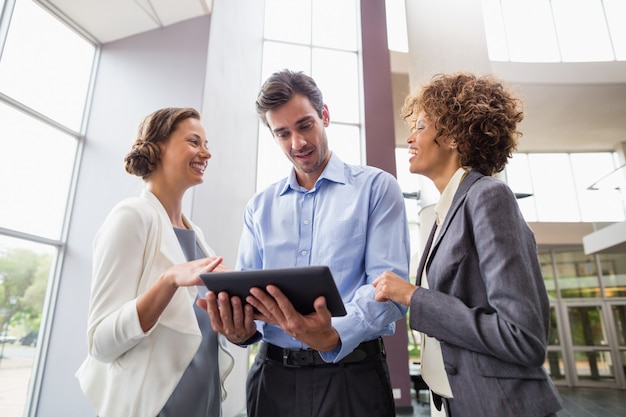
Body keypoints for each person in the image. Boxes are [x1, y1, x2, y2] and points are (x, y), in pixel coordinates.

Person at [201, 69, 411, 417]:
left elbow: (388, 289)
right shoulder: (259, 207)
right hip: (273, 379)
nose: (297, 143)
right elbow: (249, 295)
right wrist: (240, 330)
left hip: (352, 378)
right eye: (283, 133)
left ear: (324, 115)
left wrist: (333, 335)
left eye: (305, 125)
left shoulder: (376, 188)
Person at [372, 73, 563, 417]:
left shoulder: (489, 196)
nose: (409, 137)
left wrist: (413, 296)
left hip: (499, 406)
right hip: (456, 402)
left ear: (454, 135)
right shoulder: (445, 212)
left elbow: (522, 335)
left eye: (420, 126)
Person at [75, 107, 234, 417]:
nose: (206, 153)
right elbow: (100, 342)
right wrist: (167, 281)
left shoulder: (195, 235)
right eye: (194, 142)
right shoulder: (131, 217)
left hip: (202, 406)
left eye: (207, 144)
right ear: (159, 147)